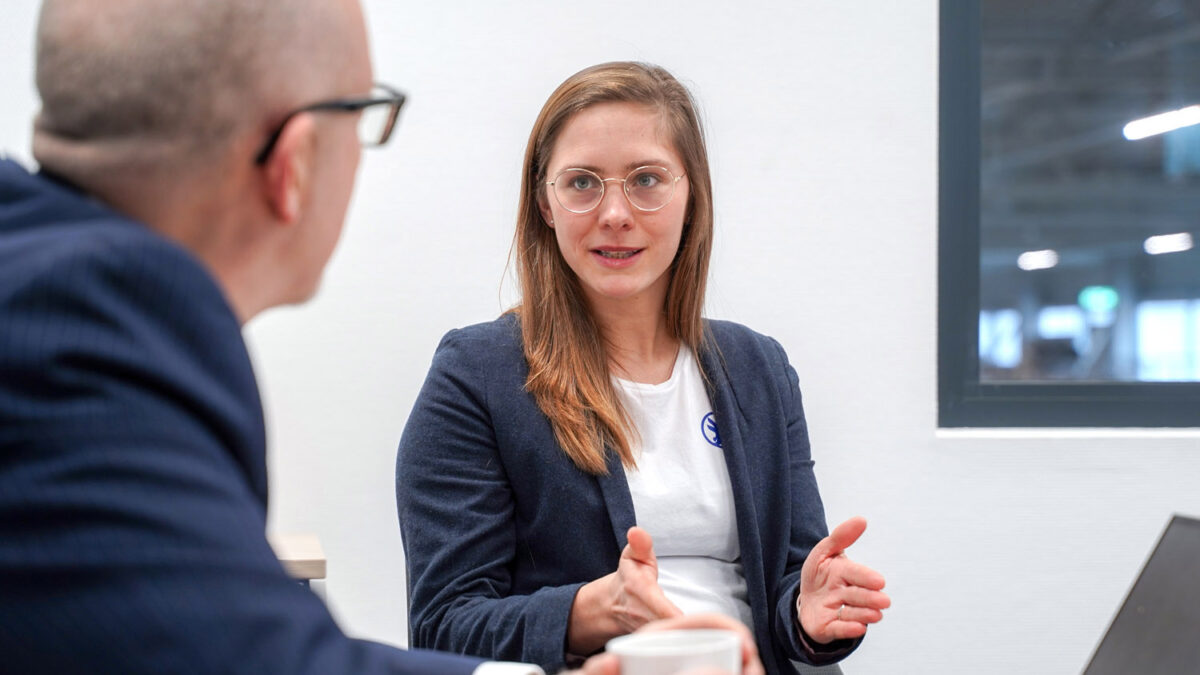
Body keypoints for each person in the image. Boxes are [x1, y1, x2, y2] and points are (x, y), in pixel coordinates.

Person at [0, 3, 759, 673]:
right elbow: (245, 653)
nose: (617, 212)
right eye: (366, 118)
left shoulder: (52, 284)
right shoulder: (95, 328)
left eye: (649, 180)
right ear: (294, 163)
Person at [396, 62, 892, 675]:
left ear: (692, 196)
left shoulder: (759, 367)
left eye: (646, 179)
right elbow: (443, 626)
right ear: (544, 205)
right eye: (581, 182)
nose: (614, 213)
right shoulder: (476, 376)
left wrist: (810, 614)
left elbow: (791, 583)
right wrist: (591, 609)